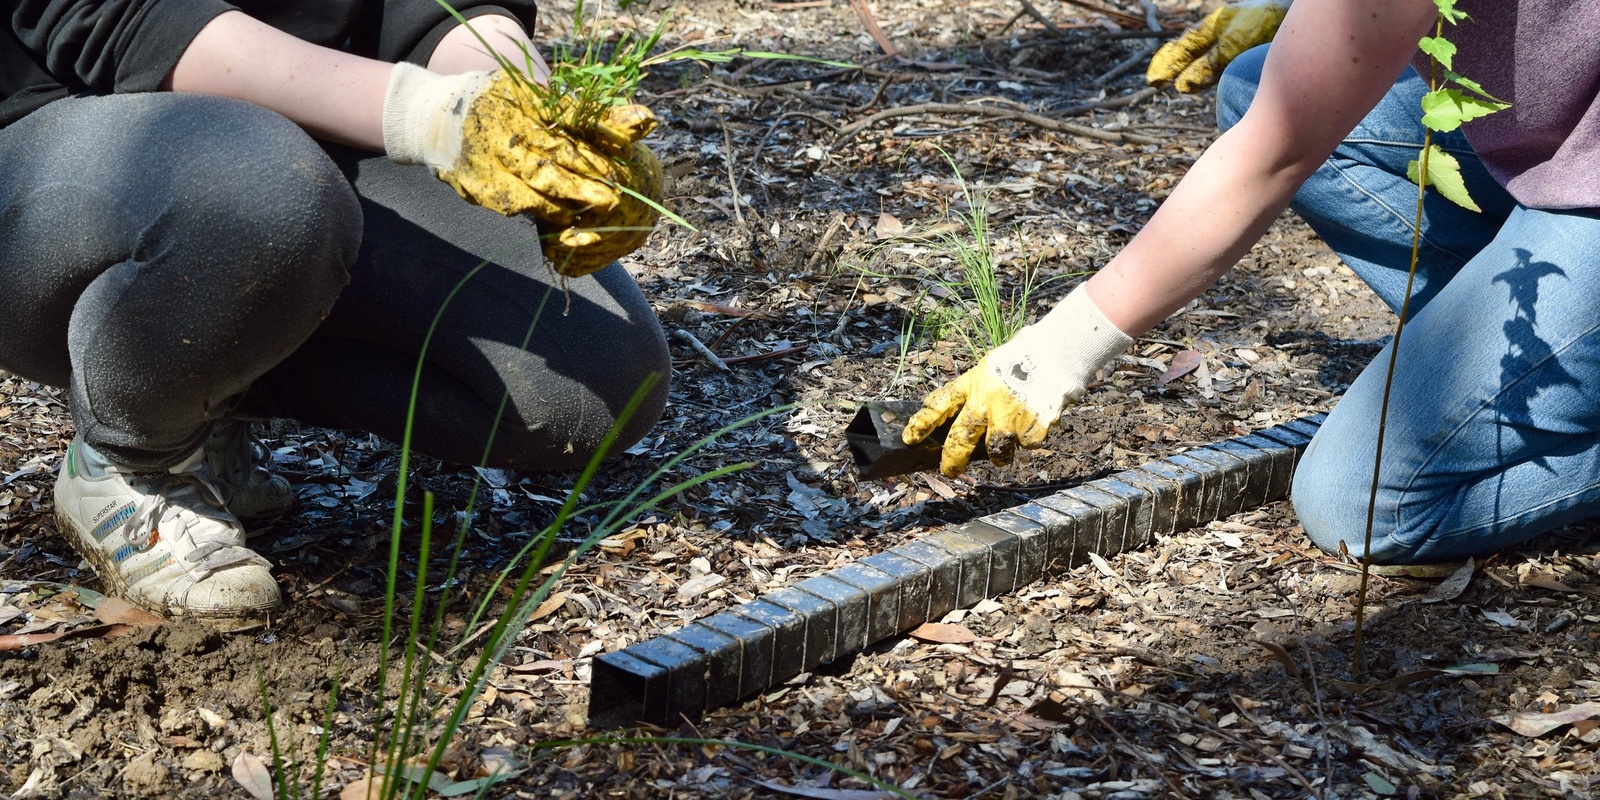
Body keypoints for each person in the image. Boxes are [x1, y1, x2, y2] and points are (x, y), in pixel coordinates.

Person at [0, 2, 672, 628]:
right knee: (261, 199)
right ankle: (128, 455)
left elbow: (447, 12)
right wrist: (436, 118)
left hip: (300, 140)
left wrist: (525, 116)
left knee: (594, 377)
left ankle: (203, 388)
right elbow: (126, 22)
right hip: (57, 148)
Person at [906, 0, 1600, 565]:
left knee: (1364, 507)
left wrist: (1050, 359)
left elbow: (1273, 154)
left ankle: (1554, 372)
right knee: (1256, 82)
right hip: (1569, 143)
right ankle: (1547, 364)